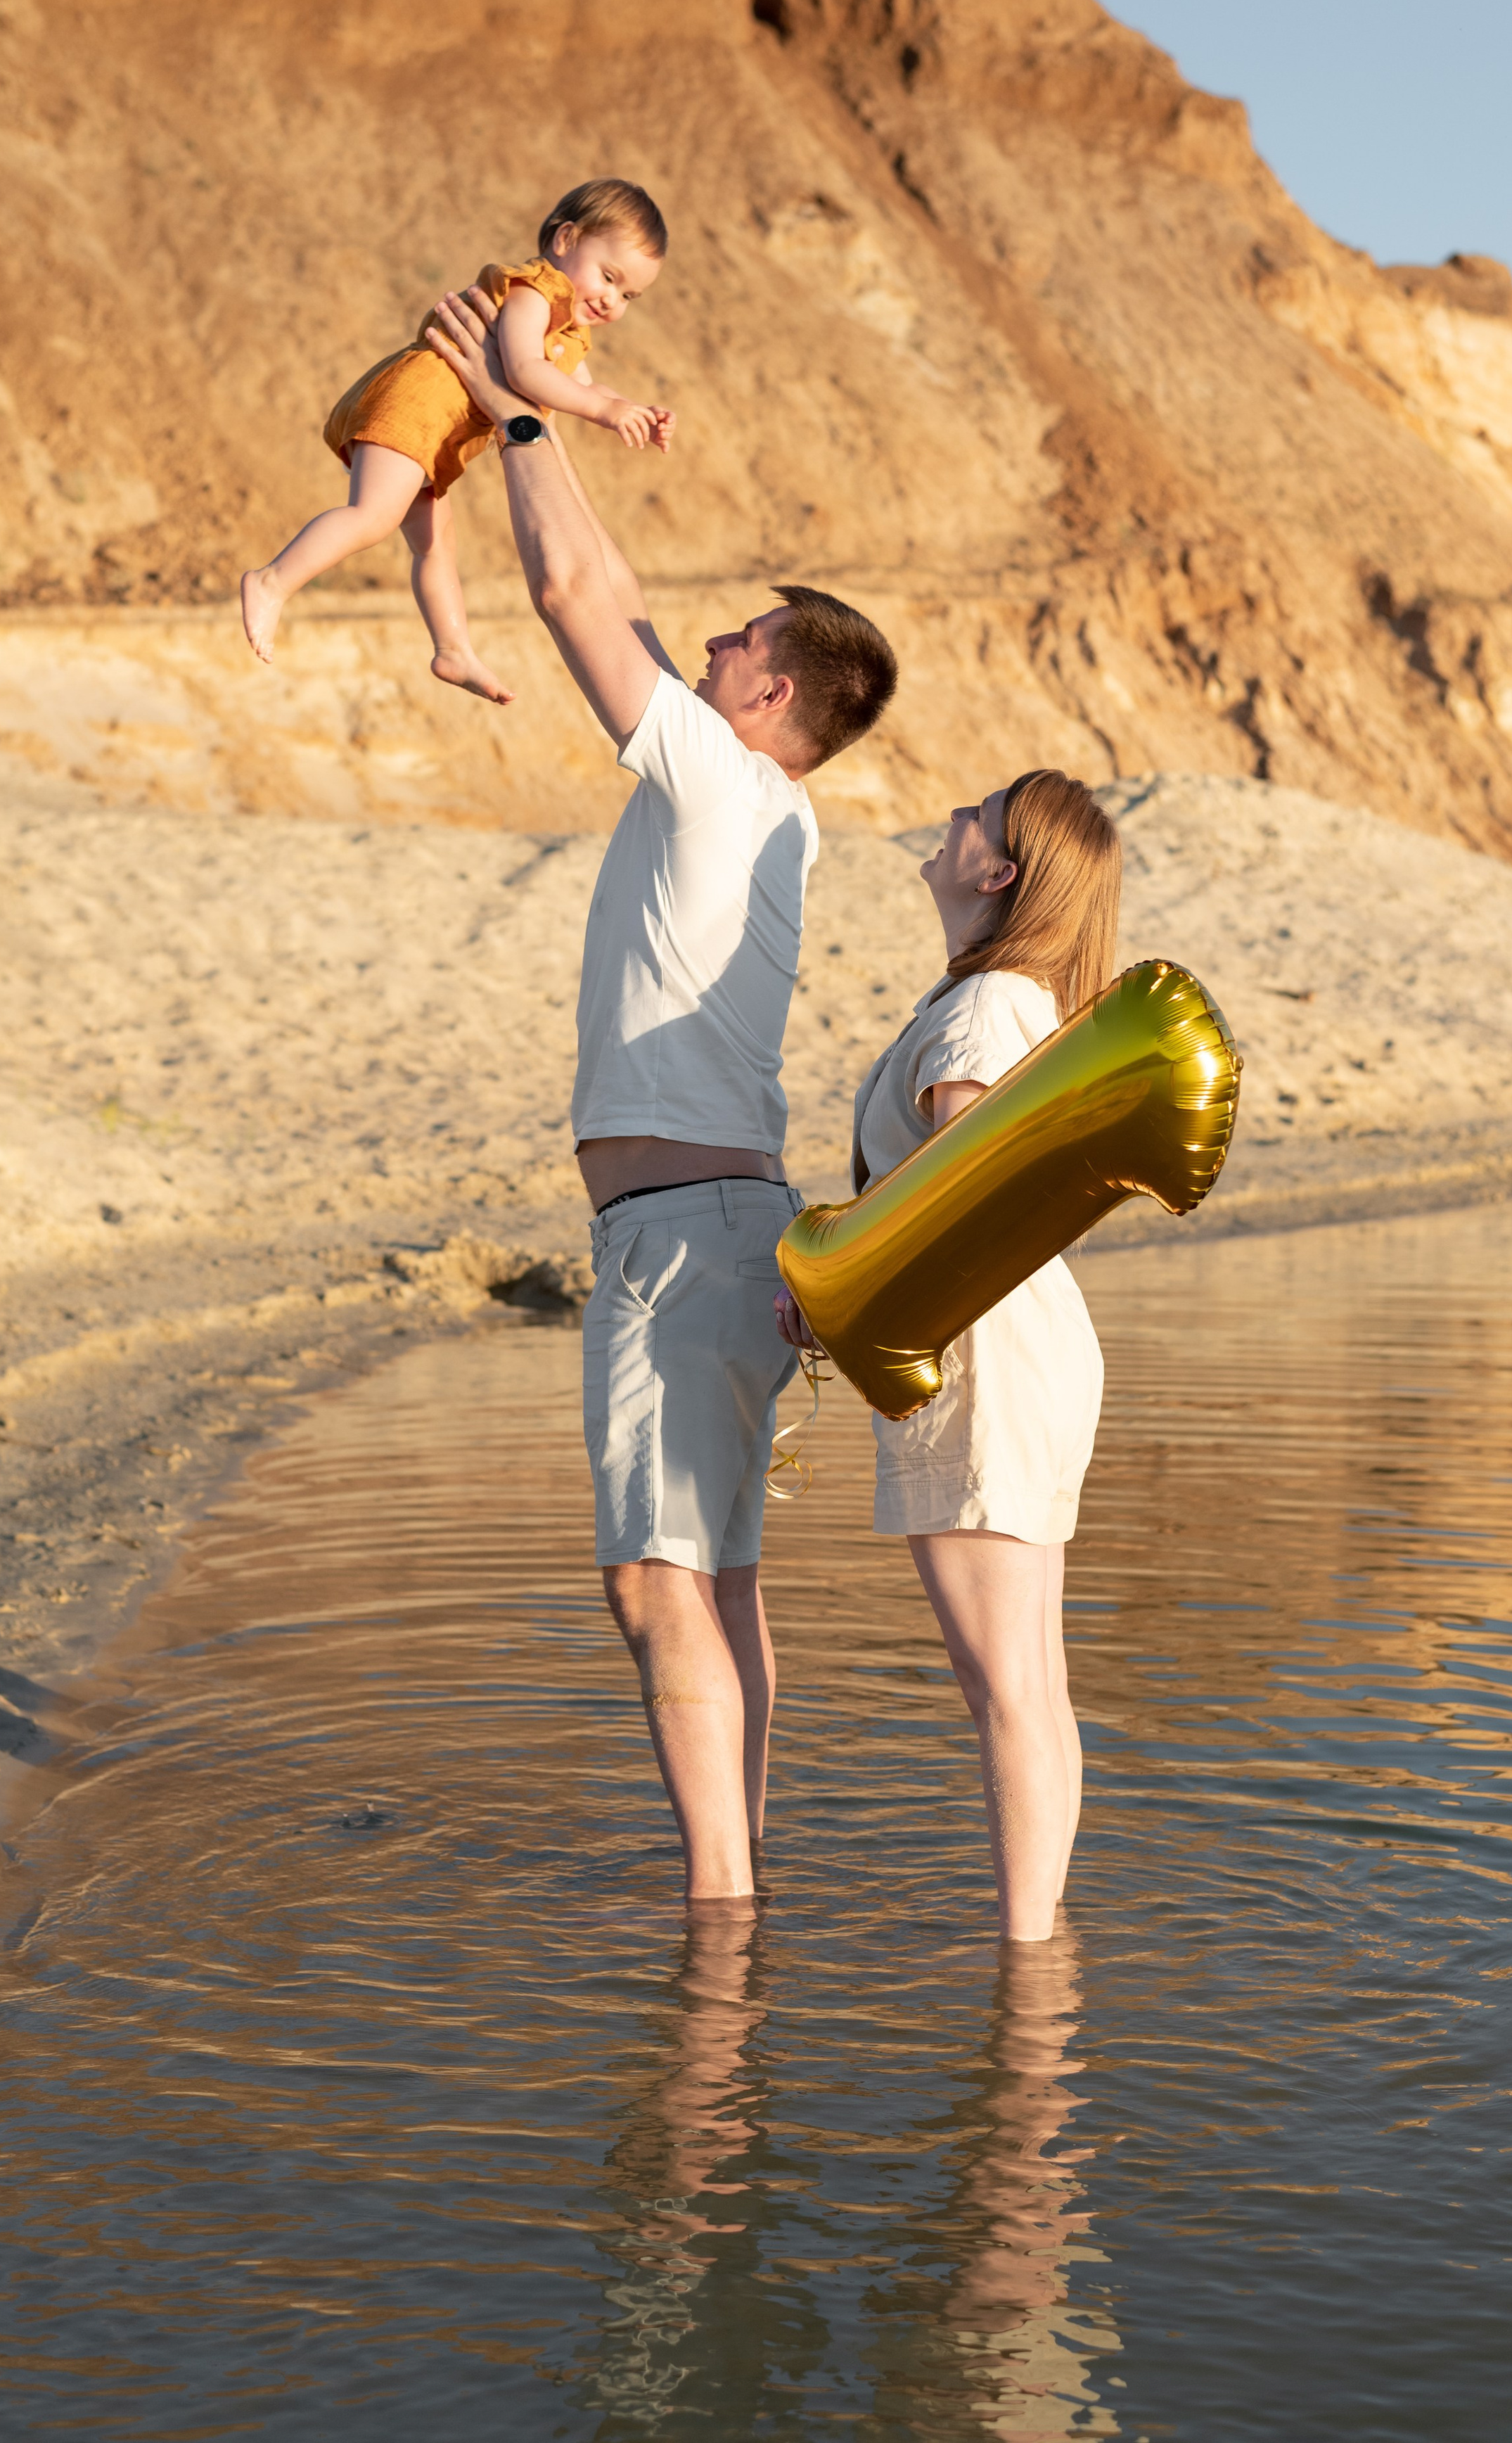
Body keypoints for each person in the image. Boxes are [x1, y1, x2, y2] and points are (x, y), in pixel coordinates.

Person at [427, 278, 897, 1904]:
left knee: (652, 1583)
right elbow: (613, 595)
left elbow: (575, 584)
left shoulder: (722, 776)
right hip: (723, 1228)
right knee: (720, 1580)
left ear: (770, 694)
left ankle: (716, 1913)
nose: (706, 643)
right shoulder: (781, 814)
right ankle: (737, 1871)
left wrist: (512, 401)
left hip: (681, 1237)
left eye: (737, 641)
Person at [779, 774, 1121, 1939]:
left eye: (977, 814)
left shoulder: (981, 1017)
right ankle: (1044, 1949)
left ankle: (1028, 1981)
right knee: (1030, 1685)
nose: (954, 820)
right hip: (1016, 1354)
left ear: (999, 872)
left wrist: (835, 1290)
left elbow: (964, 1212)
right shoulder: (1012, 1005)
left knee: (1008, 1691)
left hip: (985, 1367)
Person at [239, 178, 676, 696]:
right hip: (414, 407)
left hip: (436, 434)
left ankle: (453, 650)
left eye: (629, 295)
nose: (612, 300)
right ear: (565, 240)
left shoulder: (567, 333)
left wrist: (633, 410)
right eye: (608, 276)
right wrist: (602, 410)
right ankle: (271, 581)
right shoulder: (536, 292)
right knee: (373, 516)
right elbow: (521, 369)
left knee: (435, 545)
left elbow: (578, 383)